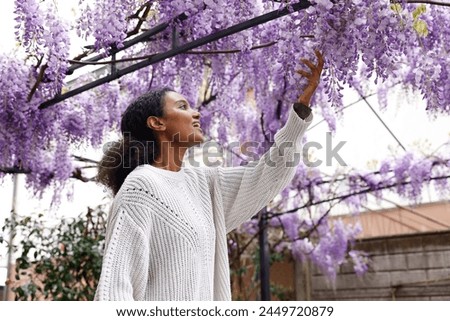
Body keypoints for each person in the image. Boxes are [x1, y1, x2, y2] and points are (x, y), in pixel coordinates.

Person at [94, 50, 324, 301]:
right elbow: (115, 287)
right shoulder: (141, 186)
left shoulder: (203, 182)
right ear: (157, 123)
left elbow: (268, 174)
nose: (196, 113)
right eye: (182, 107)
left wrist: (300, 111)